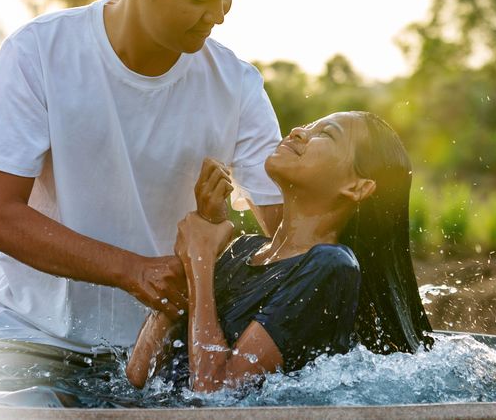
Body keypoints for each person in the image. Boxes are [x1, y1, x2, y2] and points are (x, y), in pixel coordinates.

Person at [0, 0, 284, 404]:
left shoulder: (236, 86)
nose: (219, 15)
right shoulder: (39, 52)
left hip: (160, 355)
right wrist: (130, 269)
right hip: (30, 343)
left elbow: (289, 231)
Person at [127, 112, 434, 391]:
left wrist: (200, 258)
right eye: (309, 124)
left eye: (326, 135)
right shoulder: (243, 249)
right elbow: (137, 375)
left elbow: (216, 395)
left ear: (357, 188)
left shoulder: (332, 266)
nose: (299, 131)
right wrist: (194, 255)